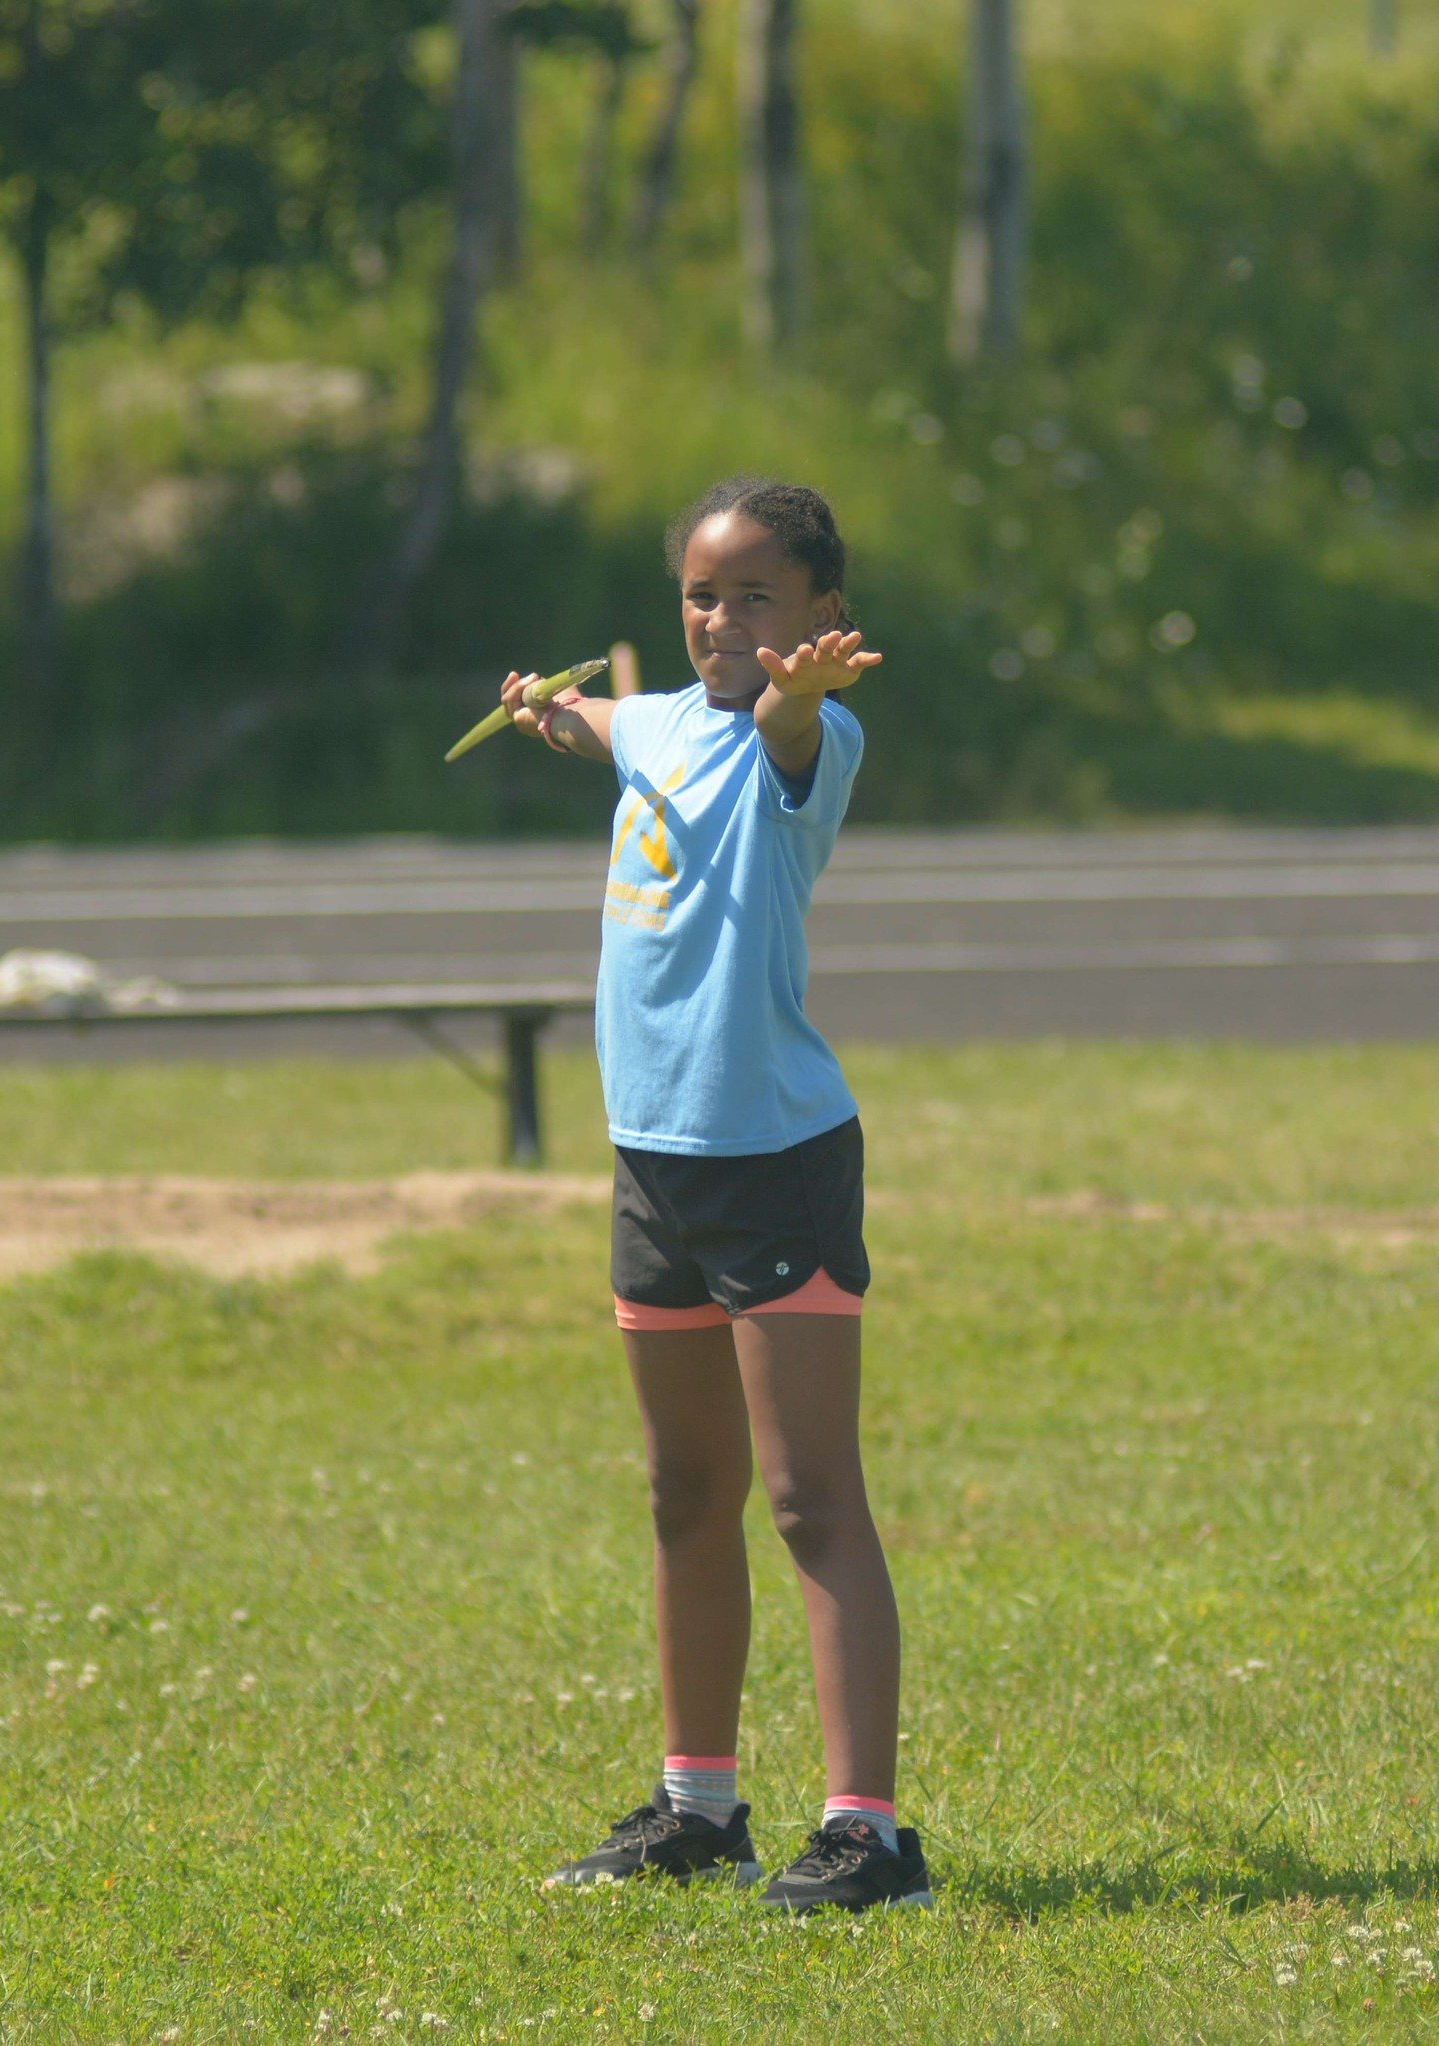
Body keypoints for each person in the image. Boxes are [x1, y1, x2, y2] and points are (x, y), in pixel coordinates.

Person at [503, 477, 930, 1916]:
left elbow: (778, 731)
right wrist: (554, 712)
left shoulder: (807, 732)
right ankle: (700, 1809)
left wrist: (797, 694)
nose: (721, 618)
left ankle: (868, 1835)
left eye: (755, 593)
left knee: (810, 1497)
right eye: (700, 591)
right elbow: (620, 726)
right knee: (688, 1491)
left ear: (821, 614)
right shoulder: (663, 722)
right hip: (656, 1161)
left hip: (776, 1163)